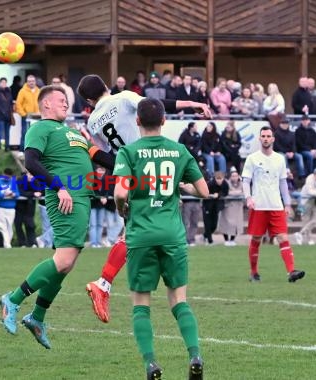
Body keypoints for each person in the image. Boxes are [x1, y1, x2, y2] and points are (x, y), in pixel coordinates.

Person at [76, 74, 211, 323]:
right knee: (142, 232)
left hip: (131, 173)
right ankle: (103, 283)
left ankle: (105, 283)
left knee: (135, 232)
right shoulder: (124, 97)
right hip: (149, 163)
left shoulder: (93, 120)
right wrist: (192, 104)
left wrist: (90, 149)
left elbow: (109, 161)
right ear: (107, 86)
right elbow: (156, 107)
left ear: (87, 99)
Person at [0, 85, 102, 349]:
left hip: (81, 198)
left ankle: (37, 318)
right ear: (45, 104)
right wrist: (59, 187)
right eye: (60, 100)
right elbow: (31, 162)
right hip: (65, 197)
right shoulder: (40, 128)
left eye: (66, 101)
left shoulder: (72, 131)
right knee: (64, 259)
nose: (66, 104)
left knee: (66, 264)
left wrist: (129, 161)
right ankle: (12, 299)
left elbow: (98, 156)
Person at [112, 98, 208, 380]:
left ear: (137, 121)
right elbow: (203, 191)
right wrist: (180, 185)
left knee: (141, 303)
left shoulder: (128, 152)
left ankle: (151, 364)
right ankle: (194, 355)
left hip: (141, 234)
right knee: (179, 299)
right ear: (164, 121)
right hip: (172, 235)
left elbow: (119, 193)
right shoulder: (179, 150)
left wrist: (123, 211)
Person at [241, 126, 305, 283]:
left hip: (276, 205)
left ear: (273, 139)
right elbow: (246, 180)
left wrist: (288, 204)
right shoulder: (252, 158)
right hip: (259, 205)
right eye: (263, 136)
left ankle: (291, 272)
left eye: (268, 136)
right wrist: (248, 197)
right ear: (259, 138)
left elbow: (283, 183)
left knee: (283, 237)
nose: (266, 138)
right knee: (257, 239)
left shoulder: (279, 159)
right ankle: (254, 272)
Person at [14, 171, 40, 248]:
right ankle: (22, 243)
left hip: (30, 206)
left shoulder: (35, 180)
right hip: (19, 207)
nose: (31, 176)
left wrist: (31, 183)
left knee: (30, 225)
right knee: (18, 225)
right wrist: (32, 194)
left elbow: (38, 190)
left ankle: (32, 243)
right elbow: (20, 192)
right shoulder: (20, 180)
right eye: (29, 174)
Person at [202, 171, 229, 245]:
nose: (219, 180)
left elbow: (226, 192)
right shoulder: (210, 184)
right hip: (207, 205)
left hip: (216, 207)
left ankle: (205, 235)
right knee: (207, 223)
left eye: (221, 179)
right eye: (218, 179)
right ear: (215, 178)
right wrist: (211, 195)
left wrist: (219, 194)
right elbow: (204, 193)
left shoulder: (225, 184)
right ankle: (210, 241)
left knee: (214, 225)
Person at [218, 169, 244, 246]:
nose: (234, 177)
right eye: (233, 176)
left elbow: (244, 192)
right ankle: (226, 240)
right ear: (230, 177)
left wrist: (234, 193)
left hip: (238, 207)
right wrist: (237, 193)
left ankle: (232, 240)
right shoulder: (226, 183)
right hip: (228, 206)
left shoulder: (242, 183)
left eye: (236, 176)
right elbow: (226, 193)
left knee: (236, 224)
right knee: (226, 223)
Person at [294, 168, 316, 245]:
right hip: (305, 201)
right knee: (306, 221)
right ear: (314, 175)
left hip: (315, 201)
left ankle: (299, 234)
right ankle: (309, 239)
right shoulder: (309, 179)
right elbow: (310, 192)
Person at [0, 168, 19, 249]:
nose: (7, 178)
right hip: (1, 208)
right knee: (2, 227)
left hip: (11, 208)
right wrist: (4, 194)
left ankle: (7, 243)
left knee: (9, 228)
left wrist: (13, 194)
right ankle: (7, 245)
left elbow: (18, 194)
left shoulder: (13, 182)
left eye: (8, 177)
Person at [16, 75, 41, 151]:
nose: (31, 83)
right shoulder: (22, 91)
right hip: (26, 117)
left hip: (37, 117)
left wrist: (41, 113)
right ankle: (22, 150)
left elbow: (42, 102)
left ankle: (36, 151)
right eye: (29, 81)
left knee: (37, 135)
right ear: (27, 82)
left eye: (33, 81)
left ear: (35, 82)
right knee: (25, 133)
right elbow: (18, 104)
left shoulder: (39, 91)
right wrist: (23, 114)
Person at [0, 77, 14, 150]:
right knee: (0, 132)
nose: (4, 84)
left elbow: (10, 102)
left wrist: (10, 110)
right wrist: (2, 111)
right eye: (2, 82)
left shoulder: (8, 91)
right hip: (0, 115)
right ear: (0, 83)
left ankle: (7, 147)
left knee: (7, 132)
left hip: (8, 115)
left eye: (5, 82)